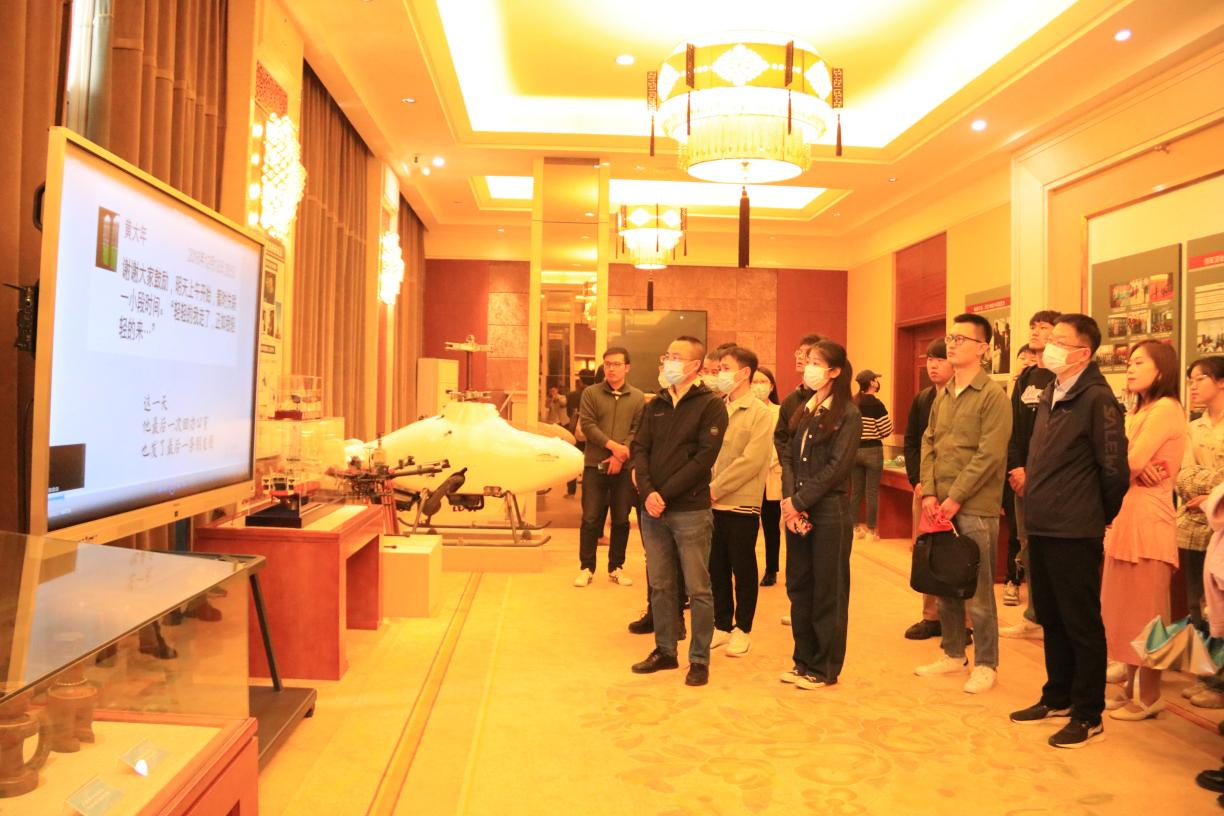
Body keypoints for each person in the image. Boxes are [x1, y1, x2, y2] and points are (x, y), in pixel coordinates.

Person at [1008, 313, 1129, 749]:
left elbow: (1114, 470)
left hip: (1075, 529)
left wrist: (1095, 514)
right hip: (1042, 523)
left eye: (1060, 340)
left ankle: (1088, 713)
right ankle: (1057, 695)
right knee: (1051, 616)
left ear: (1083, 352)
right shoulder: (1051, 391)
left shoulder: (1097, 398)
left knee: (1080, 622)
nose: (1048, 347)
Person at [915, 313, 1011, 695]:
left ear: (983, 348)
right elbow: (929, 442)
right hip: (940, 505)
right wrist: (930, 492)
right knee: (944, 583)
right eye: (950, 338)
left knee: (979, 591)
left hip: (974, 507)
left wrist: (955, 497)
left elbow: (990, 455)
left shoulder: (993, 396)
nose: (951, 344)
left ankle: (987, 663)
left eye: (960, 339)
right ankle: (953, 653)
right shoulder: (943, 395)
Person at [630, 336, 727, 687]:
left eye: (675, 357)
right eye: (666, 356)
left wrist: (664, 494)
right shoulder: (655, 403)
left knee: (698, 588)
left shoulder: (710, 406)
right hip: (653, 509)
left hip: (689, 510)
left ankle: (699, 659)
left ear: (695, 365)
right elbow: (639, 448)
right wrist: (648, 491)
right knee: (660, 584)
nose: (668, 362)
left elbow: (703, 460)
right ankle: (665, 650)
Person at [1100, 340, 1186, 721]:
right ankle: (1129, 685)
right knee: (1125, 609)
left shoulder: (1166, 408)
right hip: (1127, 514)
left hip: (1149, 520)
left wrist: (1132, 464)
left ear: (1161, 370)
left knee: (1148, 613)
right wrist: (1130, 464)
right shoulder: (1138, 410)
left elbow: (1128, 460)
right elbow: (1121, 458)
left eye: (1138, 362)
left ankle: (1150, 696)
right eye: (1129, 362)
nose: (1130, 368)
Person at [778, 340, 860, 689]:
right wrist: (790, 500)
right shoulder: (806, 407)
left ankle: (824, 667)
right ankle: (802, 660)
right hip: (797, 509)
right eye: (807, 360)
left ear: (835, 371)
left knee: (828, 589)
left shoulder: (848, 414)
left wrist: (799, 501)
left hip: (828, 512)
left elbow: (836, 468)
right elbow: (789, 457)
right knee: (800, 586)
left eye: (816, 362)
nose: (808, 367)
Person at [708, 346, 775, 657]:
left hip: (740, 502)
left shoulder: (760, 413)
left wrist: (714, 488)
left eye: (725, 368)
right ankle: (721, 624)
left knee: (742, 566)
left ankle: (742, 628)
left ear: (744, 372)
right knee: (716, 566)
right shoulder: (716, 407)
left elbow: (752, 460)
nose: (720, 374)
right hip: (710, 501)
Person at [1002, 311, 1060, 632]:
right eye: (1033, 327)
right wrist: (1015, 468)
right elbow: (1012, 428)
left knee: (1050, 550)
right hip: (1020, 477)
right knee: (1026, 547)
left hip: (1048, 480)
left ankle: (1052, 619)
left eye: (1044, 327)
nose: (1036, 332)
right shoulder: (1025, 377)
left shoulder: (1060, 377)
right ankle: (1034, 616)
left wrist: (1034, 473)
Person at [574, 347, 644, 588]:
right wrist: (614, 447)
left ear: (627, 367)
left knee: (622, 519)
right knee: (591, 518)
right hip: (594, 465)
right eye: (607, 364)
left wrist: (621, 455)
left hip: (623, 468)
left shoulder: (637, 397)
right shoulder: (591, 393)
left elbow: (637, 430)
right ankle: (586, 567)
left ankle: (616, 567)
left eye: (616, 364)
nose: (611, 369)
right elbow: (588, 425)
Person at [902, 338, 953, 640]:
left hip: (954, 490)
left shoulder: (963, 398)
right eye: (930, 359)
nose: (933, 365)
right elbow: (912, 442)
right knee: (926, 553)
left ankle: (962, 622)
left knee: (957, 554)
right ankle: (930, 616)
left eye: (940, 359)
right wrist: (917, 480)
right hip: (924, 489)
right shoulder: (923, 398)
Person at [774, 333, 825, 627]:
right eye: (799, 353)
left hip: (820, 493)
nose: (801, 359)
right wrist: (790, 489)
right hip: (793, 490)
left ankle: (817, 612)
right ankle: (799, 610)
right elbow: (782, 441)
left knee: (820, 560)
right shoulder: (792, 400)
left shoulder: (834, 403)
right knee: (797, 560)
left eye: (808, 355)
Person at [1176, 357, 1224, 648]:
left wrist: (1213, 497)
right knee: (1196, 598)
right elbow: (1183, 477)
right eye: (1190, 381)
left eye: (1200, 379)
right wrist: (1215, 487)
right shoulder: (1193, 427)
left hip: (1221, 524)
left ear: (1221, 382)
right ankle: (1203, 662)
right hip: (1195, 522)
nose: (1193, 387)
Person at [850, 369, 892, 541]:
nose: (877, 381)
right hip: (873, 450)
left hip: (854, 451)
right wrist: (876, 432)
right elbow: (887, 429)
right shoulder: (877, 405)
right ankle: (871, 530)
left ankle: (854, 528)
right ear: (872, 383)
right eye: (875, 379)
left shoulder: (853, 403)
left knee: (856, 492)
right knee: (872, 492)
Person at [751, 366, 783, 586]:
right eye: (754, 382)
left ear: (771, 386)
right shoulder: (745, 410)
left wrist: (764, 461)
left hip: (771, 474)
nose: (758, 386)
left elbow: (781, 443)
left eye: (763, 382)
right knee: (748, 527)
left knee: (771, 525)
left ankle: (771, 569)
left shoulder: (779, 412)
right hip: (747, 477)